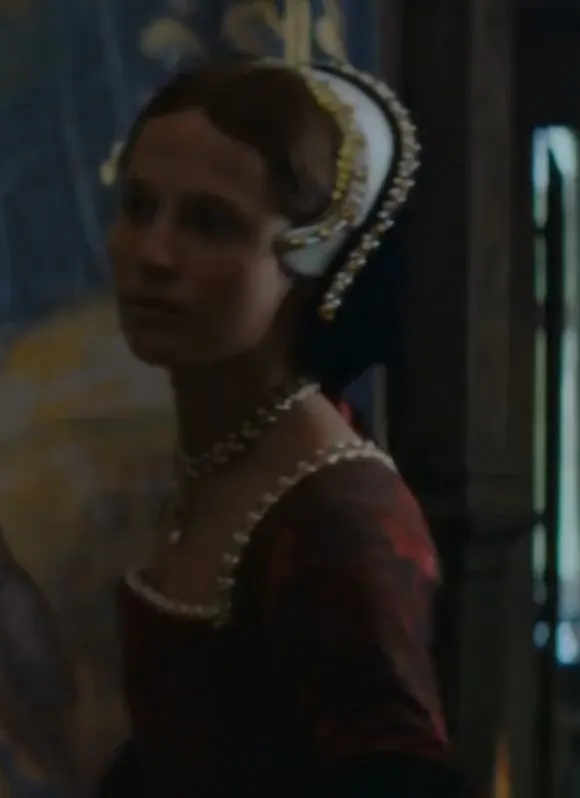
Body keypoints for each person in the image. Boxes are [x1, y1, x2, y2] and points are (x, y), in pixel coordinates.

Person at [96, 58, 467, 796]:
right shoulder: (223, 455)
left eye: (210, 223)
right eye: (139, 207)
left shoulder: (337, 520)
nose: (153, 255)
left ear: (312, 256)